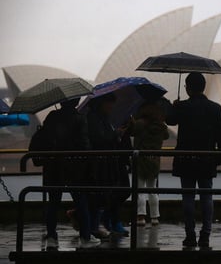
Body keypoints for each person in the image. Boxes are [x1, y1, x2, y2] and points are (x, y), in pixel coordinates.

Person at [166, 72, 221, 248]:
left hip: (186, 159)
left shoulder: (183, 107)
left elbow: (169, 120)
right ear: (203, 87)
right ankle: (206, 234)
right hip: (207, 158)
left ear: (187, 88)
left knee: (188, 196)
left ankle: (190, 235)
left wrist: (174, 106)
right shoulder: (215, 108)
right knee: (207, 196)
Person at [40, 98, 100, 249]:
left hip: (53, 165)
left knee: (53, 202)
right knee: (81, 201)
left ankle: (52, 236)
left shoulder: (52, 116)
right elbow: (84, 143)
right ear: (76, 102)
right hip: (75, 167)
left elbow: (45, 138)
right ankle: (85, 238)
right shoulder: (80, 118)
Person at [87, 93, 129, 237]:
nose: (112, 106)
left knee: (118, 191)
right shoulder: (94, 118)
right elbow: (99, 138)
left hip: (112, 161)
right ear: (101, 103)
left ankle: (106, 221)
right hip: (102, 163)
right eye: (109, 103)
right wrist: (116, 134)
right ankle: (100, 224)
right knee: (105, 193)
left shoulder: (106, 118)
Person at [131, 102, 169, 227]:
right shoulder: (161, 127)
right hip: (154, 160)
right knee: (152, 190)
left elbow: (131, 131)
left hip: (141, 160)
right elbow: (166, 136)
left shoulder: (140, 124)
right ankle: (155, 217)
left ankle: (141, 217)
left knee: (140, 189)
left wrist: (132, 121)